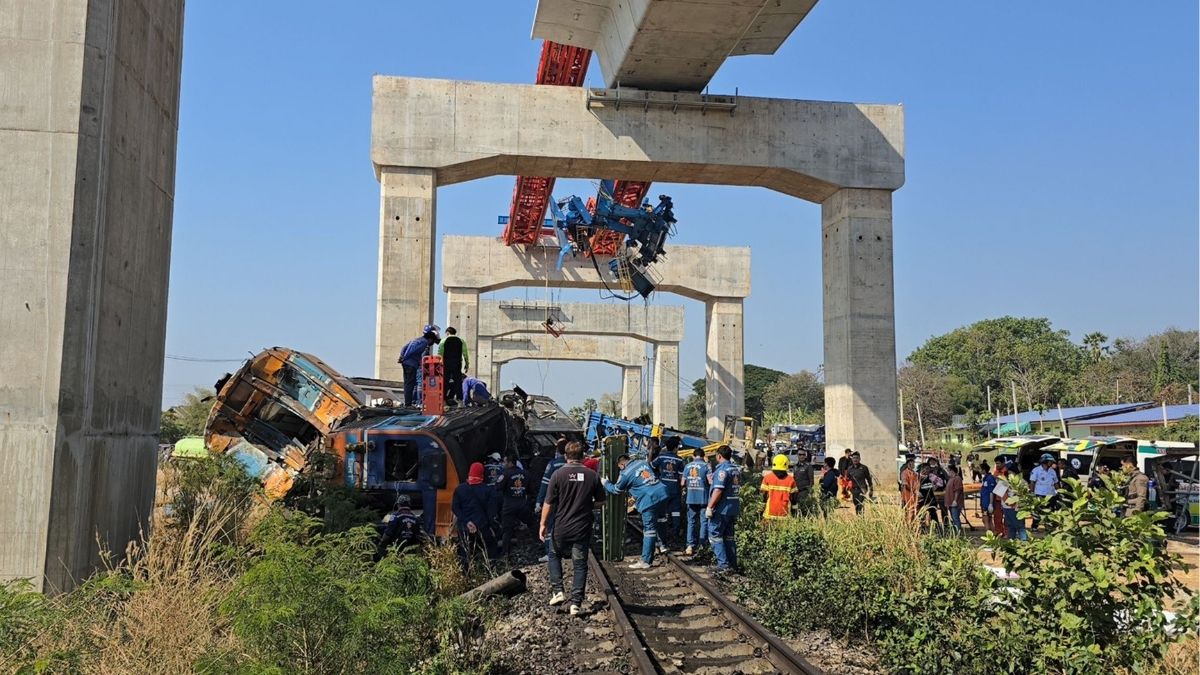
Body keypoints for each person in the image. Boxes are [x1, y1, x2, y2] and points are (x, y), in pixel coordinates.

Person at [540, 441, 606, 616]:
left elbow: (548, 503)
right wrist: (586, 505)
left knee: (554, 555)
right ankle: (576, 603)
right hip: (582, 527)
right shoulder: (592, 475)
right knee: (579, 564)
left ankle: (558, 591)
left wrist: (543, 524)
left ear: (565, 456)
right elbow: (601, 502)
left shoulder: (558, 474)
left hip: (561, 526)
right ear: (583, 456)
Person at [603, 453, 671, 569]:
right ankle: (663, 545)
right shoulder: (643, 463)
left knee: (649, 530)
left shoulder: (625, 474)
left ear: (622, 465)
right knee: (661, 519)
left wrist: (605, 483)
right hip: (662, 492)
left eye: (619, 467)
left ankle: (645, 561)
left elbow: (616, 490)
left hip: (648, 499)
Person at [451, 462, 499, 569]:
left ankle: (466, 576)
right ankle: (491, 572)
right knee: (490, 550)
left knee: (465, 553)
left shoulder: (460, 489)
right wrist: (491, 527)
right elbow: (492, 512)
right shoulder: (489, 490)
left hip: (465, 526)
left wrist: (468, 522)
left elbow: (455, 508)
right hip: (483, 526)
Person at [706, 445, 742, 574]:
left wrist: (710, 507)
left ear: (719, 456)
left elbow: (718, 490)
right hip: (733, 508)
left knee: (714, 534)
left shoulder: (722, 470)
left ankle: (723, 564)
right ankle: (733, 564)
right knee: (729, 537)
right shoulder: (735, 469)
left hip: (722, 509)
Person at [535, 439, 569, 563]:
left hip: (554, 501)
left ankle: (550, 553)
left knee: (549, 526)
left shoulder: (553, 464)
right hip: (568, 501)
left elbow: (545, 484)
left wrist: (539, 501)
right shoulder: (572, 464)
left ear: (557, 450)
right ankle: (564, 549)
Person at [498, 454, 537, 561]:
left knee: (507, 530)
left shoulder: (505, 474)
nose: (504, 464)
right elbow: (531, 491)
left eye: (505, 462)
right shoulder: (526, 473)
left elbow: (498, 487)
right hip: (522, 504)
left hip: (509, 505)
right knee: (532, 523)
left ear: (510, 462)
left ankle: (505, 553)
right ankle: (538, 542)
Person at [651, 436, 686, 544]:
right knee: (676, 511)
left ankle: (663, 534)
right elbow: (681, 478)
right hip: (675, 488)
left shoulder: (661, 457)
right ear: (676, 448)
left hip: (662, 488)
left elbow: (651, 465)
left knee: (663, 511)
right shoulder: (679, 460)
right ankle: (675, 533)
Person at [374, 495, 426, 561]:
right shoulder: (415, 519)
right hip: (409, 553)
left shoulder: (395, 516)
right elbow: (418, 537)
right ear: (409, 505)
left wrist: (380, 547)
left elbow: (387, 534)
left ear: (398, 505)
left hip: (394, 551)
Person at [398, 325, 440, 406]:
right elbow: (412, 351)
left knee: (408, 383)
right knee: (410, 384)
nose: (432, 344)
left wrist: (402, 357)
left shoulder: (417, 339)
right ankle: (408, 404)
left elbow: (404, 347)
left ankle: (408, 403)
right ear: (430, 339)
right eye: (433, 342)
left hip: (407, 363)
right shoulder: (424, 343)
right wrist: (405, 358)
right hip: (411, 364)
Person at [682, 447, 710, 555]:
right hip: (703, 498)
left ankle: (690, 546)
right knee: (703, 522)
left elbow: (682, 483)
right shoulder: (706, 466)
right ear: (703, 456)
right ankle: (702, 546)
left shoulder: (687, 466)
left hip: (691, 497)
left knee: (691, 522)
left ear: (693, 456)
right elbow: (710, 481)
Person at [438, 326, 470, 405]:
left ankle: (443, 401)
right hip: (457, 363)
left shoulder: (443, 341)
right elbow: (465, 353)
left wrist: (439, 365)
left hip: (446, 364)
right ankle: (460, 401)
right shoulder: (461, 340)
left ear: (447, 333)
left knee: (445, 381)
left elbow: (440, 353)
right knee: (458, 382)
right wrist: (467, 363)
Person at [994, 464, 1026, 541]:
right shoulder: (1004, 482)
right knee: (1018, 526)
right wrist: (1012, 503)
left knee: (1015, 526)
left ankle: (1015, 541)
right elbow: (999, 496)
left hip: (1015, 507)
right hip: (1010, 507)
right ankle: (1021, 541)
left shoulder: (1021, 482)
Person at [761, 454, 798, 520]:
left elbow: (763, 495)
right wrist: (794, 511)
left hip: (769, 513)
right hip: (784, 514)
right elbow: (794, 498)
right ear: (786, 464)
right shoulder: (791, 480)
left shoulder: (767, 478)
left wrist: (761, 509)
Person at [1029, 453, 1059, 531]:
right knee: (1037, 512)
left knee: (1050, 511)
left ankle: (1048, 527)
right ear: (1045, 461)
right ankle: (1034, 527)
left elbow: (1056, 483)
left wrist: (1060, 492)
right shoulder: (1036, 470)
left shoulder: (1052, 471)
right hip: (1039, 495)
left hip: (1051, 495)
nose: (1052, 463)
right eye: (1050, 461)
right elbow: (1032, 483)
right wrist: (1032, 493)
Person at [917, 464, 940, 530]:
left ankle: (938, 529)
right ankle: (922, 529)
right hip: (922, 500)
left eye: (928, 469)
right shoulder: (918, 477)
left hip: (931, 500)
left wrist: (935, 486)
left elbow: (939, 484)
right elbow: (916, 488)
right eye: (926, 469)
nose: (927, 470)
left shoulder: (931, 477)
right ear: (922, 469)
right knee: (921, 515)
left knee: (933, 515)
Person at [945, 465, 965, 534]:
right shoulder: (951, 479)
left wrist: (955, 500)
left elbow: (957, 490)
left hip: (955, 502)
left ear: (952, 471)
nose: (947, 472)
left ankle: (958, 533)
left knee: (956, 518)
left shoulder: (957, 479)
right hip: (950, 502)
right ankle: (955, 532)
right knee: (954, 518)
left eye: (948, 471)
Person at [899, 454, 920, 522]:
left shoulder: (915, 473)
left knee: (914, 511)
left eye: (913, 464)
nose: (913, 465)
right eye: (911, 464)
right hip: (907, 494)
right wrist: (913, 490)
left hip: (914, 495)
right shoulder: (904, 471)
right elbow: (904, 483)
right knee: (908, 511)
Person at [979, 461, 998, 532]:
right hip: (984, 502)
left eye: (980, 469)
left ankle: (988, 535)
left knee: (986, 519)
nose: (979, 470)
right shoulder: (985, 478)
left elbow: (991, 492)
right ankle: (993, 533)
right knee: (988, 519)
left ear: (984, 470)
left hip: (987, 503)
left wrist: (990, 504)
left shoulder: (990, 478)